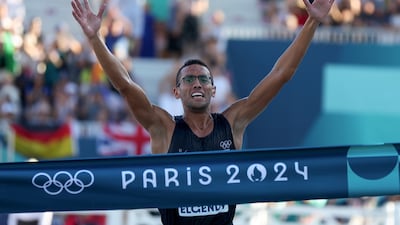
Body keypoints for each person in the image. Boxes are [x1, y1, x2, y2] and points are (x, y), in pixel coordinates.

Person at [71, 0, 334, 224]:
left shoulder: (233, 123)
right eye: (188, 79)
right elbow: (125, 86)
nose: (196, 83)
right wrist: (95, 39)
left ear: (213, 90)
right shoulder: (164, 128)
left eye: (203, 79)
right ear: (176, 92)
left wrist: (311, 23)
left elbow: (280, 75)